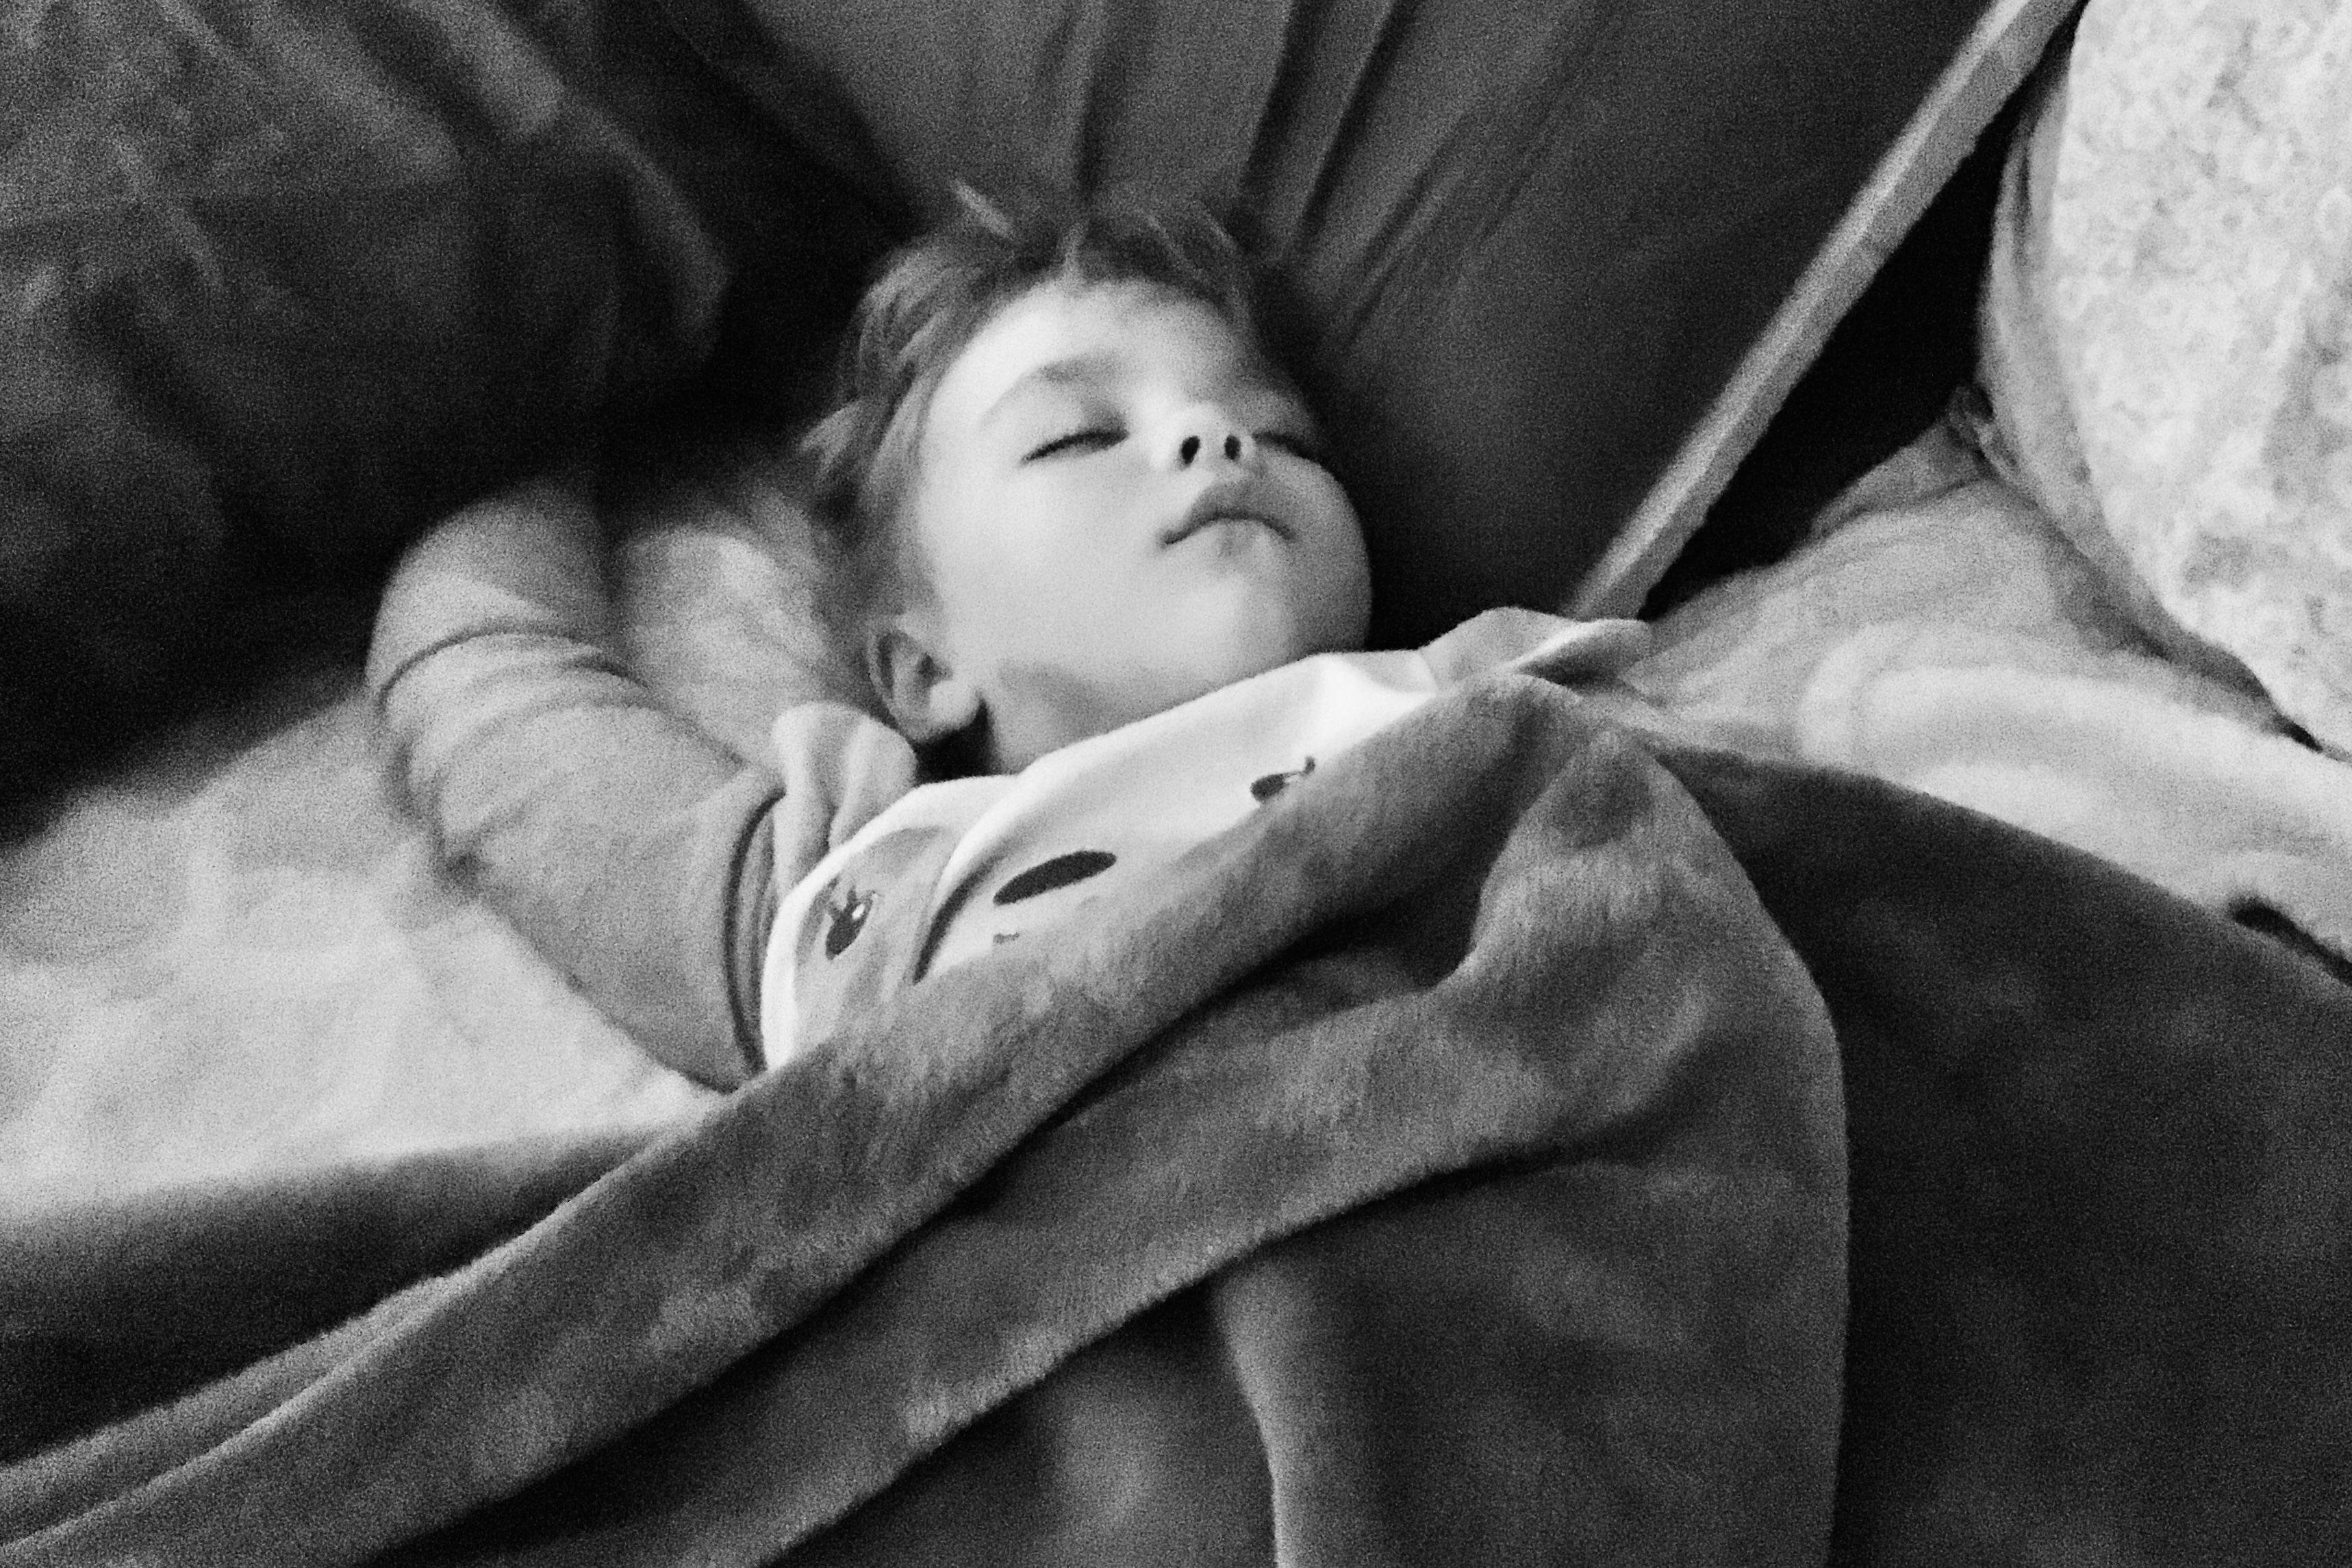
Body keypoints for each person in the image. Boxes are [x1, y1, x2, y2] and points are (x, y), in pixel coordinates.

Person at [370, 194, 1643, 1084]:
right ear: (924, 669)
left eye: (1281, 434)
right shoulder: (861, 892)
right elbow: (488, 689)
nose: (1214, 439)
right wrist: (562, 401)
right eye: (1078, 436)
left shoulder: (1504, 689)